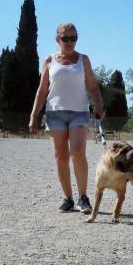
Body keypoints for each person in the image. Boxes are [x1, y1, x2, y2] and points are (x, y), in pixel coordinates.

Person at [29, 22, 104, 213]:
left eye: (74, 38)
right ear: (57, 40)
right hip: (55, 113)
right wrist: (33, 116)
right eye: (66, 38)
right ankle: (68, 198)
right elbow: (42, 90)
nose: (70, 42)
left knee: (78, 153)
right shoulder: (49, 61)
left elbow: (93, 87)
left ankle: (83, 198)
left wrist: (99, 106)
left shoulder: (83, 60)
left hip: (79, 112)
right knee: (60, 156)